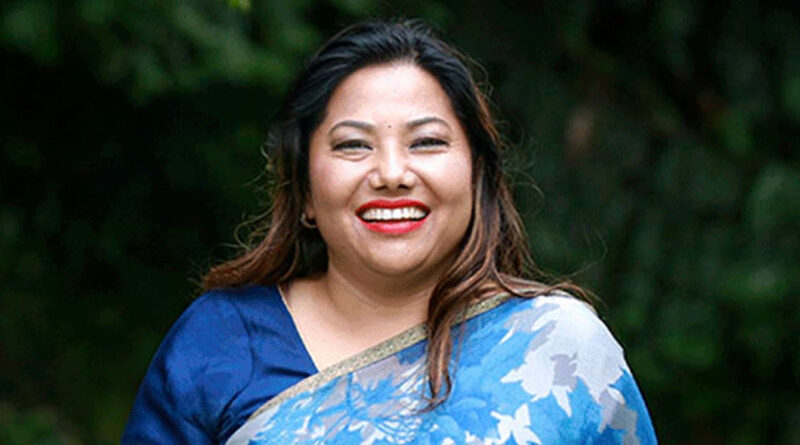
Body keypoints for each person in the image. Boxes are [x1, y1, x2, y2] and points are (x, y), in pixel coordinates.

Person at [123, 19, 657, 444]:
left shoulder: (559, 349)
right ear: (303, 189)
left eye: (427, 142)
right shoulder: (222, 342)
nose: (392, 174)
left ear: (477, 176)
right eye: (353, 145)